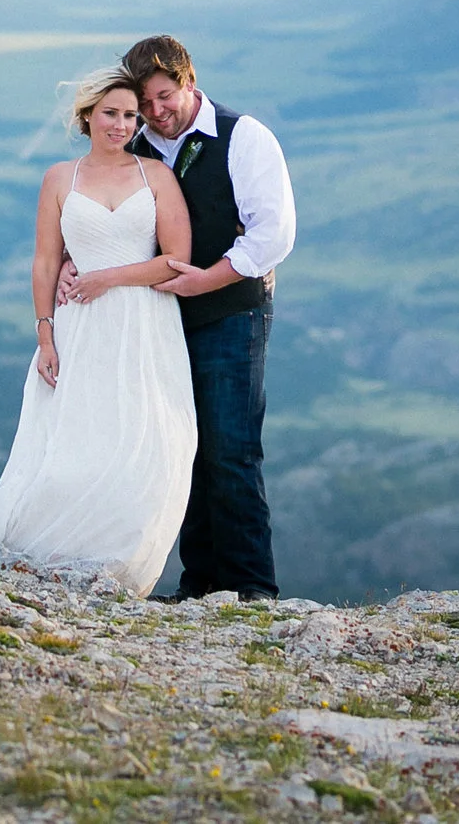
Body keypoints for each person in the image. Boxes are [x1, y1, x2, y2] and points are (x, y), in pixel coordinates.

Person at [0, 69, 201, 595]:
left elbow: (176, 261)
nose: (121, 125)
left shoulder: (156, 176)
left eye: (130, 116)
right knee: (74, 441)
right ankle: (48, 555)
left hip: (144, 324)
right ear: (87, 116)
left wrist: (106, 278)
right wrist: (45, 336)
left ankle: (120, 569)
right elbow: (46, 262)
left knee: (145, 444)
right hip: (80, 327)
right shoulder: (59, 179)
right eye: (111, 114)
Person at [100, 34, 296, 603]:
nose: (156, 113)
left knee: (230, 448)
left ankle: (253, 587)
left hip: (231, 311)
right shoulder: (133, 143)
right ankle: (200, 583)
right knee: (179, 444)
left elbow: (274, 233)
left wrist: (206, 278)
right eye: (146, 102)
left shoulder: (244, 137)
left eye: (164, 97)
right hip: (155, 317)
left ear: (189, 81)